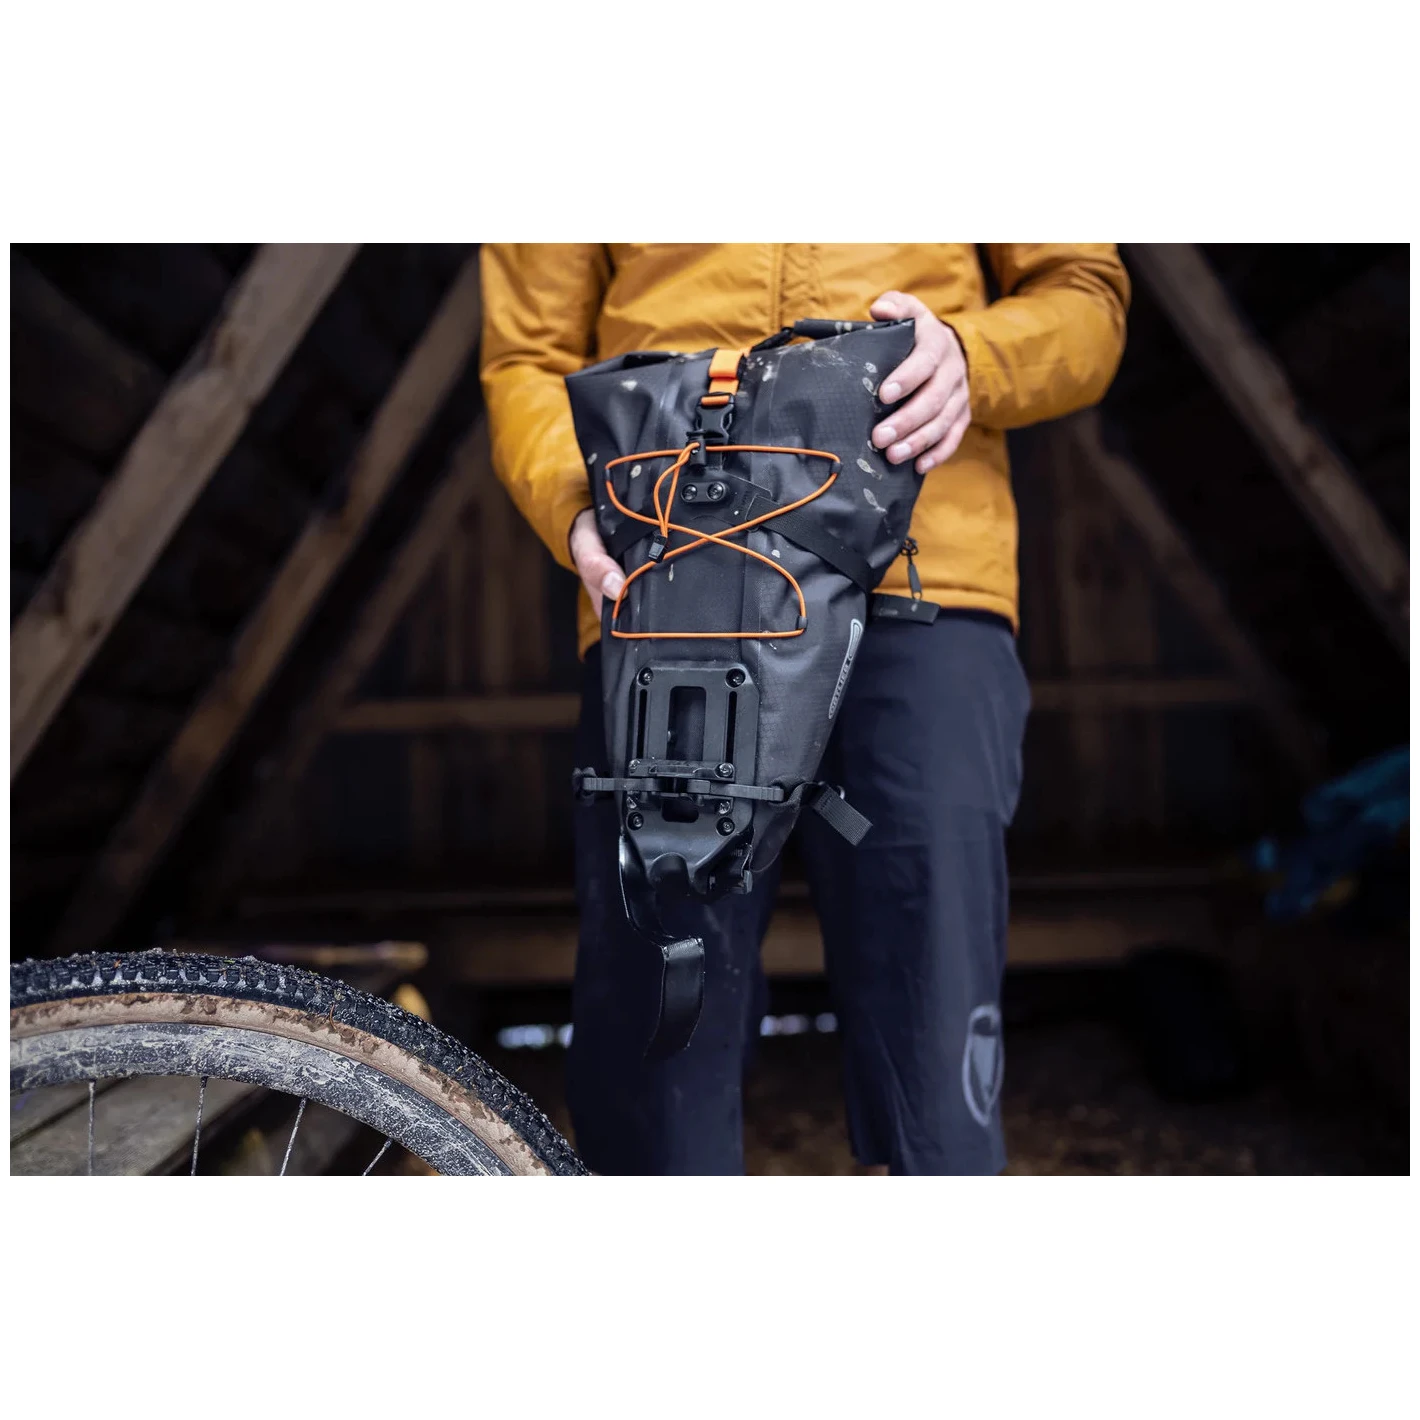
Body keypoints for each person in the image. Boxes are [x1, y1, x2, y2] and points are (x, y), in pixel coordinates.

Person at [480, 245, 1130, 1175]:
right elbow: (527, 356)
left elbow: (1085, 296)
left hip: (924, 570)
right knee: (661, 1029)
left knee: (934, 1009)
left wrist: (972, 358)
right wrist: (581, 502)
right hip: (674, 572)